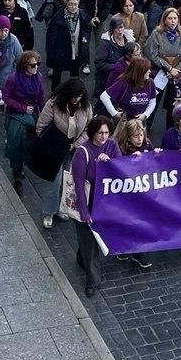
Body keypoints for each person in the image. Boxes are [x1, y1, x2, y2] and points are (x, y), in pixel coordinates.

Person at [33, 78, 93, 229]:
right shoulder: (53, 104)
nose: (76, 99)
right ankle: (49, 212)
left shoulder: (85, 107)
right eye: (74, 96)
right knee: (55, 181)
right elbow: (41, 126)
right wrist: (48, 144)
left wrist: (76, 145)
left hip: (74, 149)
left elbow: (89, 129)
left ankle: (62, 209)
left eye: (79, 96)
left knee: (68, 179)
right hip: (55, 149)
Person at [72, 115, 120, 297]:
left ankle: (81, 256)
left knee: (89, 241)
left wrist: (110, 163)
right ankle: (92, 281)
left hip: (104, 202)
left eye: (107, 132)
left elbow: (121, 170)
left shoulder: (112, 146)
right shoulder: (82, 152)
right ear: (93, 132)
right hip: (87, 200)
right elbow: (78, 185)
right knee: (90, 242)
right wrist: (84, 211)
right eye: (100, 133)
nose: (104, 136)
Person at [2, 52, 47, 192]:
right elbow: (6, 97)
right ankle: (16, 173)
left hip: (31, 115)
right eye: (32, 65)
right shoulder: (13, 79)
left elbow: (40, 97)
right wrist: (22, 108)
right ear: (24, 65)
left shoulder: (38, 77)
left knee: (28, 144)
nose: (36, 68)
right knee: (16, 145)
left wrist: (42, 116)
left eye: (38, 64)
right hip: (16, 115)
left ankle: (21, 165)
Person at [46, 0, 89, 88]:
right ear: (66, 4)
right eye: (71, 4)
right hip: (61, 51)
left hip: (76, 50)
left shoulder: (82, 14)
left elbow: (87, 28)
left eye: (75, 4)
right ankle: (55, 95)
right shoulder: (57, 17)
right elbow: (51, 38)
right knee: (57, 76)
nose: (73, 7)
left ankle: (74, 93)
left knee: (75, 75)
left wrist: (84, 36)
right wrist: (52, 54)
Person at [101, 57, 157, 123]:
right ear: (139, 71)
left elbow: (152, 101)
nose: (149, 71)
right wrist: (114, 114)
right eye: (147, 69)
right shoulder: (123, 83)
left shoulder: (150, 83)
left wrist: (145, 114)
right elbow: (104, 96)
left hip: (140, 122)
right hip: (124, 121)